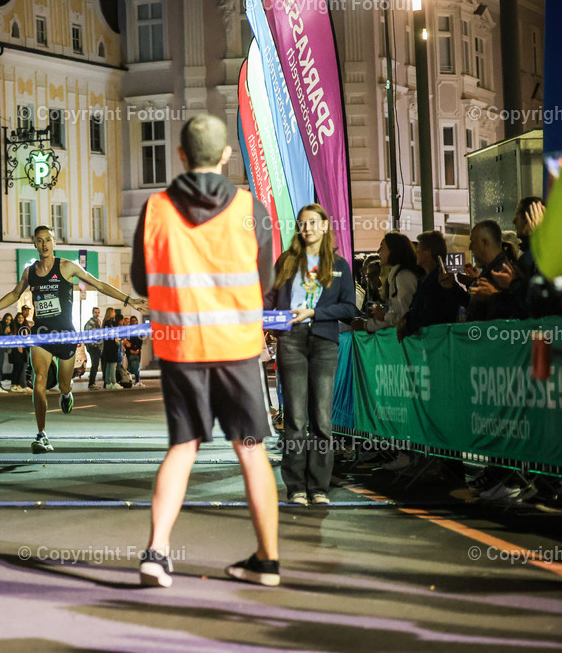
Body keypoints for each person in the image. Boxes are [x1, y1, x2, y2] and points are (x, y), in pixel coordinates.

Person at [130, 114, 278, 587]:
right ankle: (267, 561)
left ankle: (156, 553)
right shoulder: (251, 209)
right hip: (236, 347)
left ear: (180, 155)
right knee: (252, 450)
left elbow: (139, 279)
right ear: (226, 156)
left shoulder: (155, 208)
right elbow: (268, 281)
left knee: (182, 447)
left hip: (181, 346)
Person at [0, 225, 147, 453]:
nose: (44, 244)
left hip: (65, 334)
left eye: (48, 240)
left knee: (64, 383)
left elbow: (98, 284)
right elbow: (15, 294)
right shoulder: (30, 272)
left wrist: (128, 300)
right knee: (40, 380)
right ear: (34, 245)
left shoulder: (66, 267)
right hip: (41, 334)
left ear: (54, 243)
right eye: (39, 240)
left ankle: (67, 393)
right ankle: (42, 434)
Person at [268, 204, 356, 507]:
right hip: (291, 339)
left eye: (312, 223)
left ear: (324, 227)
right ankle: (296, 486)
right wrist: (268, 320)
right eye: (302, 224)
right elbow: (269, 296)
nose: (306, 228)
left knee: (321, 418)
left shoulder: (340, 265)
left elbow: (349, 307)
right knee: (295, 418)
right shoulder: (287, 261)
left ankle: (319, 486)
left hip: (323, 341)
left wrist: (316, 312)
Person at [351, 233, 421, 333]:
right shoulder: (396, 276)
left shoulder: (403, 276)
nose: (378, 251)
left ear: (394, 250)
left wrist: (367, 325)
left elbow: (401, 315)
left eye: (382, 246)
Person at [84, 307, 103, 389]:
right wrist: (93, 345)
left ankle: (92, 382)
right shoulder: (90, 323)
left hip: (98, 346)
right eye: (95, 312)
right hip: (93, 347)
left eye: (98, 312)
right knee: (94, 365)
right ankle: (91, 383)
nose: (97, 314)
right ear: (92, 313)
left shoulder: (98, 322)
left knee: (95, 365)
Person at [101, 309, 120, 389]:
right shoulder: (107, 324)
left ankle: (108, 382)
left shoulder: (109, 323)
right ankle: (113, 381)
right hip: (110, 346)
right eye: (113, 312)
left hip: (110, 346)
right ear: (110, 313)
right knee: (112, 365)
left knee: (109, 365)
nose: (114, 313)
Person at [125, 315, 144, 387]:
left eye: (135, 320)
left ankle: (137, 380)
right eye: (132, 321)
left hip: (137, 350)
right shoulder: (128, 330)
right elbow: (128, 341)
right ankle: (128, 380)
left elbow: (140, 340)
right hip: (129, 350)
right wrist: (130, 350)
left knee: (137, 365)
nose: (133, 322)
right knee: (129, 365)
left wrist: (138, 349)